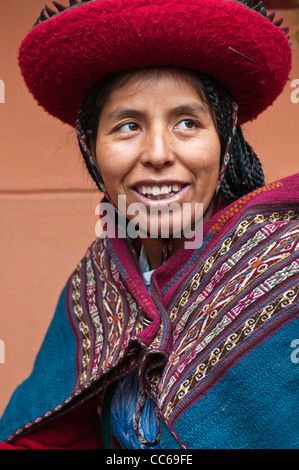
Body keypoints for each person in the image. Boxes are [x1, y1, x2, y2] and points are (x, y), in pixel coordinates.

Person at [0, 0, 298, 449]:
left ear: (226, 139)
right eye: (127, 126)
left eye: (187, 122)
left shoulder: (286, 261)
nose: (158, 153)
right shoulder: (99, 279)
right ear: (90, 148)